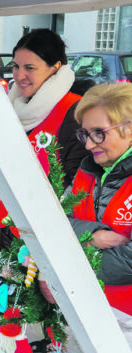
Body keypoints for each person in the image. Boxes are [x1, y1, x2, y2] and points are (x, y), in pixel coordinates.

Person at [0, 28, 89, 248]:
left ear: (55, 69)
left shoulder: (74, 112)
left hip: (44, 237)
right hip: (10, 227)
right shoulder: (13, 106)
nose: (19, 75)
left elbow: (75, 184)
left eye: (29, 68)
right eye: (16, 66)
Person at [69, 82, 132, 315]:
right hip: (89, 308)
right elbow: (55, 220)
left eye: (99, 133)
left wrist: (68, 258)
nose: (88, 144)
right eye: (85, 134)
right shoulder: (87, 171)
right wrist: (93, 235)